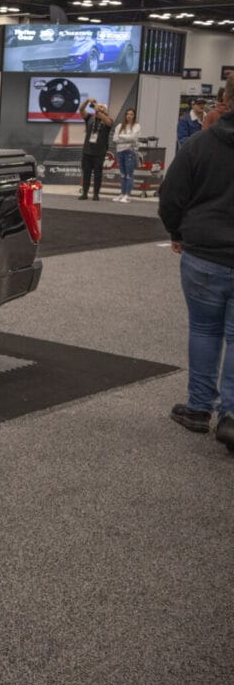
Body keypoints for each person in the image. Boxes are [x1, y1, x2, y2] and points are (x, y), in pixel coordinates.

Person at [158, 70, 234, 450]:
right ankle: (232, 419)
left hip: (203, 254)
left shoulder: (200, 145)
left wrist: (176, 232)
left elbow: (170, 195)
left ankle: (199, 409)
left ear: (226, 100)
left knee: (205, 331)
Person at [77, 97, 112, 201]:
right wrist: (87, 101)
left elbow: (107, 121)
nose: (99, 108)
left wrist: (97, 109)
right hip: (87, 151)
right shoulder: (90, 118)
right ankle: (85, 193)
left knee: (98, 174)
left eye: (102, 107)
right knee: (86, 173)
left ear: (106, 111)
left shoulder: (108, 120)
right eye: (99, 106)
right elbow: (81, 110)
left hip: (99, 152)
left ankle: (96, 194)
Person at [110, 108, 141, 203]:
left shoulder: (136, 126)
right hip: (120, 151)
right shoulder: (119, 126)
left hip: (130, 151)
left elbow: (133, 138)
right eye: (127, 114)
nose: (129, 116)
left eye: (131, 114)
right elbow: (115, 139)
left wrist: (121, 136)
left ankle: (127, 195)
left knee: (129, 174)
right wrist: (126, 138)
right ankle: (122, 194)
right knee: (123, 174)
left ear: (134, 116)